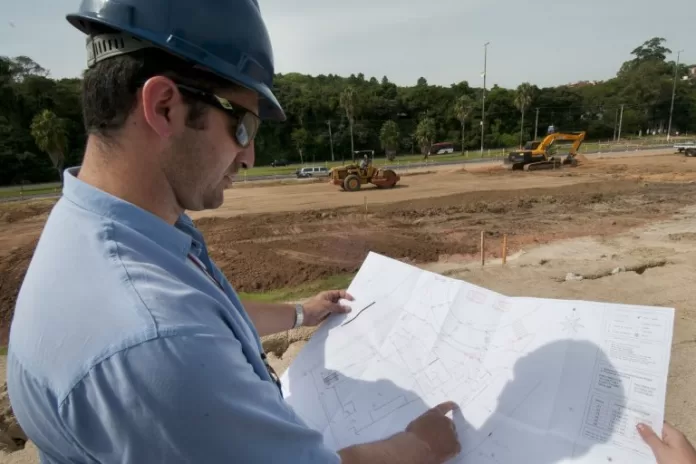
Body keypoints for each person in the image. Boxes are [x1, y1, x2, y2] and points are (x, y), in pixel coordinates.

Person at [6, 0, 460, 463]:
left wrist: (301, 313)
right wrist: (419, 445)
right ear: (164, 107)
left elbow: (206, 315)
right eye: (243, 127)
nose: (249, 158)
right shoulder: (158, 342)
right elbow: (180, 334)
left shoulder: (96, 228)